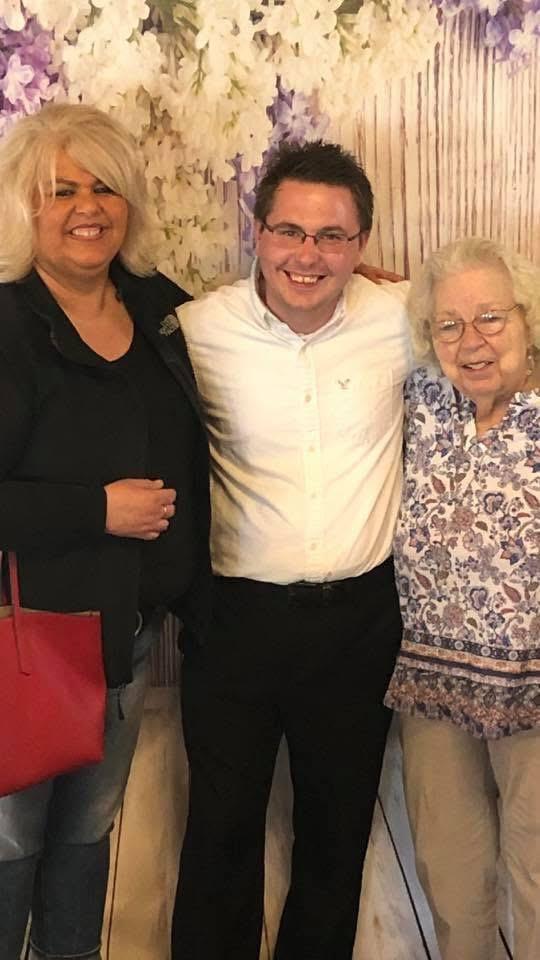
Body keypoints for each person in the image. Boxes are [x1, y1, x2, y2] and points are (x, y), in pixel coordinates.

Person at [171, 140, 412, 960]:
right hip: (235, 623)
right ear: (258, 234)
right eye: (290, 232)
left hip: (360, 624)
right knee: (219, 836)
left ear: (362, 245)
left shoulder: (404, 318)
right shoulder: (195, 332)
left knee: (337, 833)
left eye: (332, 237)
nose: (308, 255)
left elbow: (502, 316)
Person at [0, 103, 210, 960]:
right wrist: (96, 510)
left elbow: (262, 320)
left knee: (86, 844)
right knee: (11, 848)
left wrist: (368, 286)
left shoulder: (159, 310)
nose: (87, 207)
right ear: (27, 206)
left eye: (104, 187)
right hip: (21, 648)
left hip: (122, 643)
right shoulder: (6, 324)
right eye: (61, 190)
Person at [384, 238, 540, 960]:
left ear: (528, 320)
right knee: (451, 877)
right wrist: (347, 258)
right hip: (434, 684)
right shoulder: (425, 398)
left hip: (534, 692)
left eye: (491, 318)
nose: (472, 341)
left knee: (537, 877)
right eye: (449, 325)